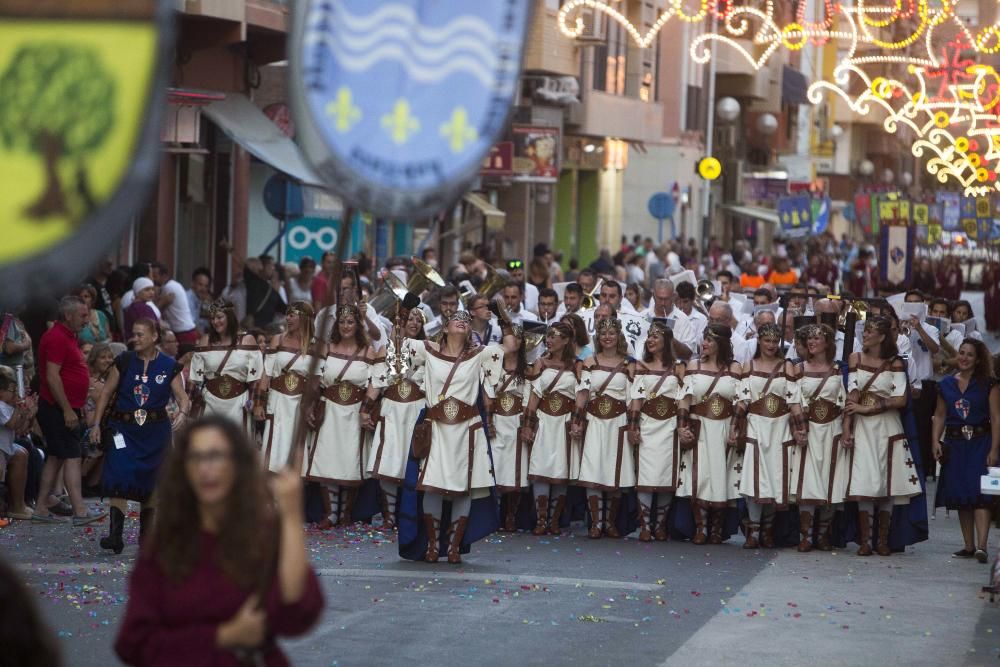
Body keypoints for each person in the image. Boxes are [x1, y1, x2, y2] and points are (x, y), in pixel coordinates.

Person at [114, 417, 323, 665]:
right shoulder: (166, 544)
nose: (205, 468)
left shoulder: (261, 536)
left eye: (216, 456)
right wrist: (223, 636)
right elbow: (133, 643)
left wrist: (290, 516)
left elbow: (300, 611)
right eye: (196, 458)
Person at [397, 310, 516, 564]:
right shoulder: (428, 349)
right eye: (455, 318)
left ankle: (453, 547)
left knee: (464, 489)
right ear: (445, 326)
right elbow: (396, 351)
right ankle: (432, 544)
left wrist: (504, 320)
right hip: (437, 427)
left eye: (466, 319)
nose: (461, 321)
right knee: (432, 484)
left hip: (467, 429)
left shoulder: (479, 353)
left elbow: (510, 347)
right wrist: (402, 316)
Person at [90, 319, 189, 553]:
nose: (135, 338)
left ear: (155, 336)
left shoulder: (168, 365)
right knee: (118, 473)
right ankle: (115, 536)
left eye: (140, 334)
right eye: (134, 334)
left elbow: (182, 396)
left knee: (151, 480)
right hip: (123, 428)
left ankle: (146, 538)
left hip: (155, 432)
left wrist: (183, 412)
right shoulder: (123, 361)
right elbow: (106, 393)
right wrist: (96, 424)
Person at [843, 316, 922, 556]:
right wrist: (847, 426)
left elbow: (901, 399)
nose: (865, 335)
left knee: (888, 480)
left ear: (882, 336)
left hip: (888, 426)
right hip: (862, 427)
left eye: (869, 331)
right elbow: (852, 392)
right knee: (864, 478)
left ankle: (882, 540)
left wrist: (868, 409)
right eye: (864, 331)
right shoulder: (855, 358)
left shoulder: (895, 363)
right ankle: (866, 540)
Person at [32, 297, 106, 526]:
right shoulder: (56, 338)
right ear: (68, 315)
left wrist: (78, 406)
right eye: (82, 316)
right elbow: (53, 376)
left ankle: (42, 507)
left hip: (66, 407)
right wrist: (66, 409)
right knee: (73, 457)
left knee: (55, 457)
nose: (86, 320)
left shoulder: (67, 337)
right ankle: (80, 511)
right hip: (56, 408)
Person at [932, 339, 1000, 563]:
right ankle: (968, 546)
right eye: (961, 353)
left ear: (978, 359)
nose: (964, 358)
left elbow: (996, 417)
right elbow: (940, 415)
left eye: (970, 354)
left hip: (981, 442)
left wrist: (994, 449)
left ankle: (982, 546)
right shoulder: (946, 385)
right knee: (961, 493)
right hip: (955, 443)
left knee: (982, 494)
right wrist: (935, 442)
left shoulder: (989, 384)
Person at [309, 304, 375, 528]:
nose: (346, 326)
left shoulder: (368, 352)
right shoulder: (328, 348)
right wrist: (310, 406)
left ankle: (346, 513)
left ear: (358, 325)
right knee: (328, 459)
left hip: (354, 412)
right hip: (329, 410)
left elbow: (376, 383)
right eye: (342, 322)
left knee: (349, 461)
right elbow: (316, 380)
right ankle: (331, 513)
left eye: (350, 322)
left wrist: (366, 409)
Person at [676, 324, 743, 544]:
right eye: (704, 339)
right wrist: (682, 427)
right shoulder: (693, 365)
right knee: (700, 476)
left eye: (710, 340)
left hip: (724, 428)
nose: (704, 343)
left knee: (720, 476)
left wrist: (735, 426)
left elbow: (741, 401)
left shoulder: (734, 368)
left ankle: (717, 529)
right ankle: (701, 527)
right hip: (700, 427)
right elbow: (684, 398)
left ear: (720, 344)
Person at [734, 323, 796, 549]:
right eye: (767, 340)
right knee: (754, 478)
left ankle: (768, 531)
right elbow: (742, 399)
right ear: (759, 341)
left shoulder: (786, 366)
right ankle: (754, 531)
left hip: (780, 426)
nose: (771, 345)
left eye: (774, 341)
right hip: (756, 426)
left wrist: (800, 427)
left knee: (775, 478)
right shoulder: (748, 365)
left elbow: (794, 399)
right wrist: (735, 425)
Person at [789, 324, 849, 551]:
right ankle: (806, 536)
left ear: (828, 343)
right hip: (808, 430)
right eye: (809, 339)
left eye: (817, 338)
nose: (812, 342)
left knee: (830, 480)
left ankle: (823, 534)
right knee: (808, 481)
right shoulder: (798, 368)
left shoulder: (838, 370)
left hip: (831, 430)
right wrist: (797, 429)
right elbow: (792, 401)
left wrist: (846, 430)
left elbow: (845, 404)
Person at [366, 306, 427, 528]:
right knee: (389, 460)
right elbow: (377, 382)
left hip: (415, 409)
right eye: (409, 319)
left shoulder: (426, 349)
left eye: (418, 321)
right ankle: (389, 515)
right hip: (391, 409)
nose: (413, 323)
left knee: (413, 460)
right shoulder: (385, 350)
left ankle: (410, 515)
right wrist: (365, 409)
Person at [575, 318, 635, 538]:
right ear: (598, 338)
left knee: (614, 470)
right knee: (594, 467)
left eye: (611, 333)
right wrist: (577, 420)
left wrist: (632, 425)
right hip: (594, 420)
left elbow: (632, 397)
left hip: (618, 423)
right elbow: (583, 392)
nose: (607, 337)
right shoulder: (590, 360)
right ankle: (596, 522)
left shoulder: (629, 363)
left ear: (618, 335)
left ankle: (610, 522)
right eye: (603, 333)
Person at [520, 321, 579, 535]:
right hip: (544, 421)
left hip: (564, 423)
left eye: (555, 336)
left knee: (560, 470)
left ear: (566, 340)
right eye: (549, 336)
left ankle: (555, 520)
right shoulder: (540, 363)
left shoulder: (576, 365)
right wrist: (528, 425)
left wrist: (577, 422)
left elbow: (581, 396)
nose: (550, 340)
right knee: (541, 468)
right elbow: (533, 395)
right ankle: (541, 519)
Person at [628, 321, 683, 541]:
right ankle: (645, 526)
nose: (650, 340)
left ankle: (660, 525)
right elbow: (636, 399)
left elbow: (682, 399)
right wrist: (633, 426)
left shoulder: (678, 367)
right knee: (646, 475)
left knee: (665, 475)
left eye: (655, 337)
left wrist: (681, 426)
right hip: (648, 425)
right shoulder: (641, 365)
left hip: (669, 427)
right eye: (649, 337)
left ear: (666, 341)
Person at [255, 302, 322, 475]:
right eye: (288, 314)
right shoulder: (278, 339)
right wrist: (259, 403)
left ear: (304, 318)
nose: (288, 318)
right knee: (273, 451)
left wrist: (310, 406)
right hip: (277, 401)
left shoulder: (316, 345)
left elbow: (317, 382)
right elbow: (266, 373)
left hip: (300, 404)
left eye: (292, 315)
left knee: (295, 455)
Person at [190, 300, 263, 433]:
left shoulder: (247, 340)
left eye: (219, 317)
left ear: (229, 316)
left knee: (237, 447)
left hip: (239, 403)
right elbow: (195, 378)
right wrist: (189, 403)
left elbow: (256, 377)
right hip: (211, 403)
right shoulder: (205, 341)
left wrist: (254, 402)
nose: (215, 322)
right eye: (212, 318)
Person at [484, 323, 529, 532]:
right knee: (496, 467)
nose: (515, 341)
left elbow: (530, 397)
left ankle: (510, 516)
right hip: (498, 421)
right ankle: (493, 515)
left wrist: (528, 424)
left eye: (519, 338)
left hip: (517, 422)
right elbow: (487, 393)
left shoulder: (527, 370)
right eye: (512, 337)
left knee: (515, 469)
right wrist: (489, 419)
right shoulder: (493, 365)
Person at [0, 366, 35, 520]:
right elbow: (12, 424)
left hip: (7, 447)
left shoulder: (8, 406)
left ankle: (18, 504)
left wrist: (28, 413)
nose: (15, 394)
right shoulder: (1, 406)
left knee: (21, 453)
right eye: (12, 391)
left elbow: (20, 430)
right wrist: (18, 408)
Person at [153, 262, 200, 346]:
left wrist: (162, 301)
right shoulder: (173, 285)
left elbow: (156, 310)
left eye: (155, 276)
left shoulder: (168, 287)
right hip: (184, 331)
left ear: (164, 276)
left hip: (183, 333)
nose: (152, 279)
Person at [186, 267, 213, 334]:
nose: (203, 289)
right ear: (193, 283)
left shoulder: (200, 300)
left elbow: (205, 323)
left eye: (206, 286)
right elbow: (192, 326)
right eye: (200, 285)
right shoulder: (188, 299)